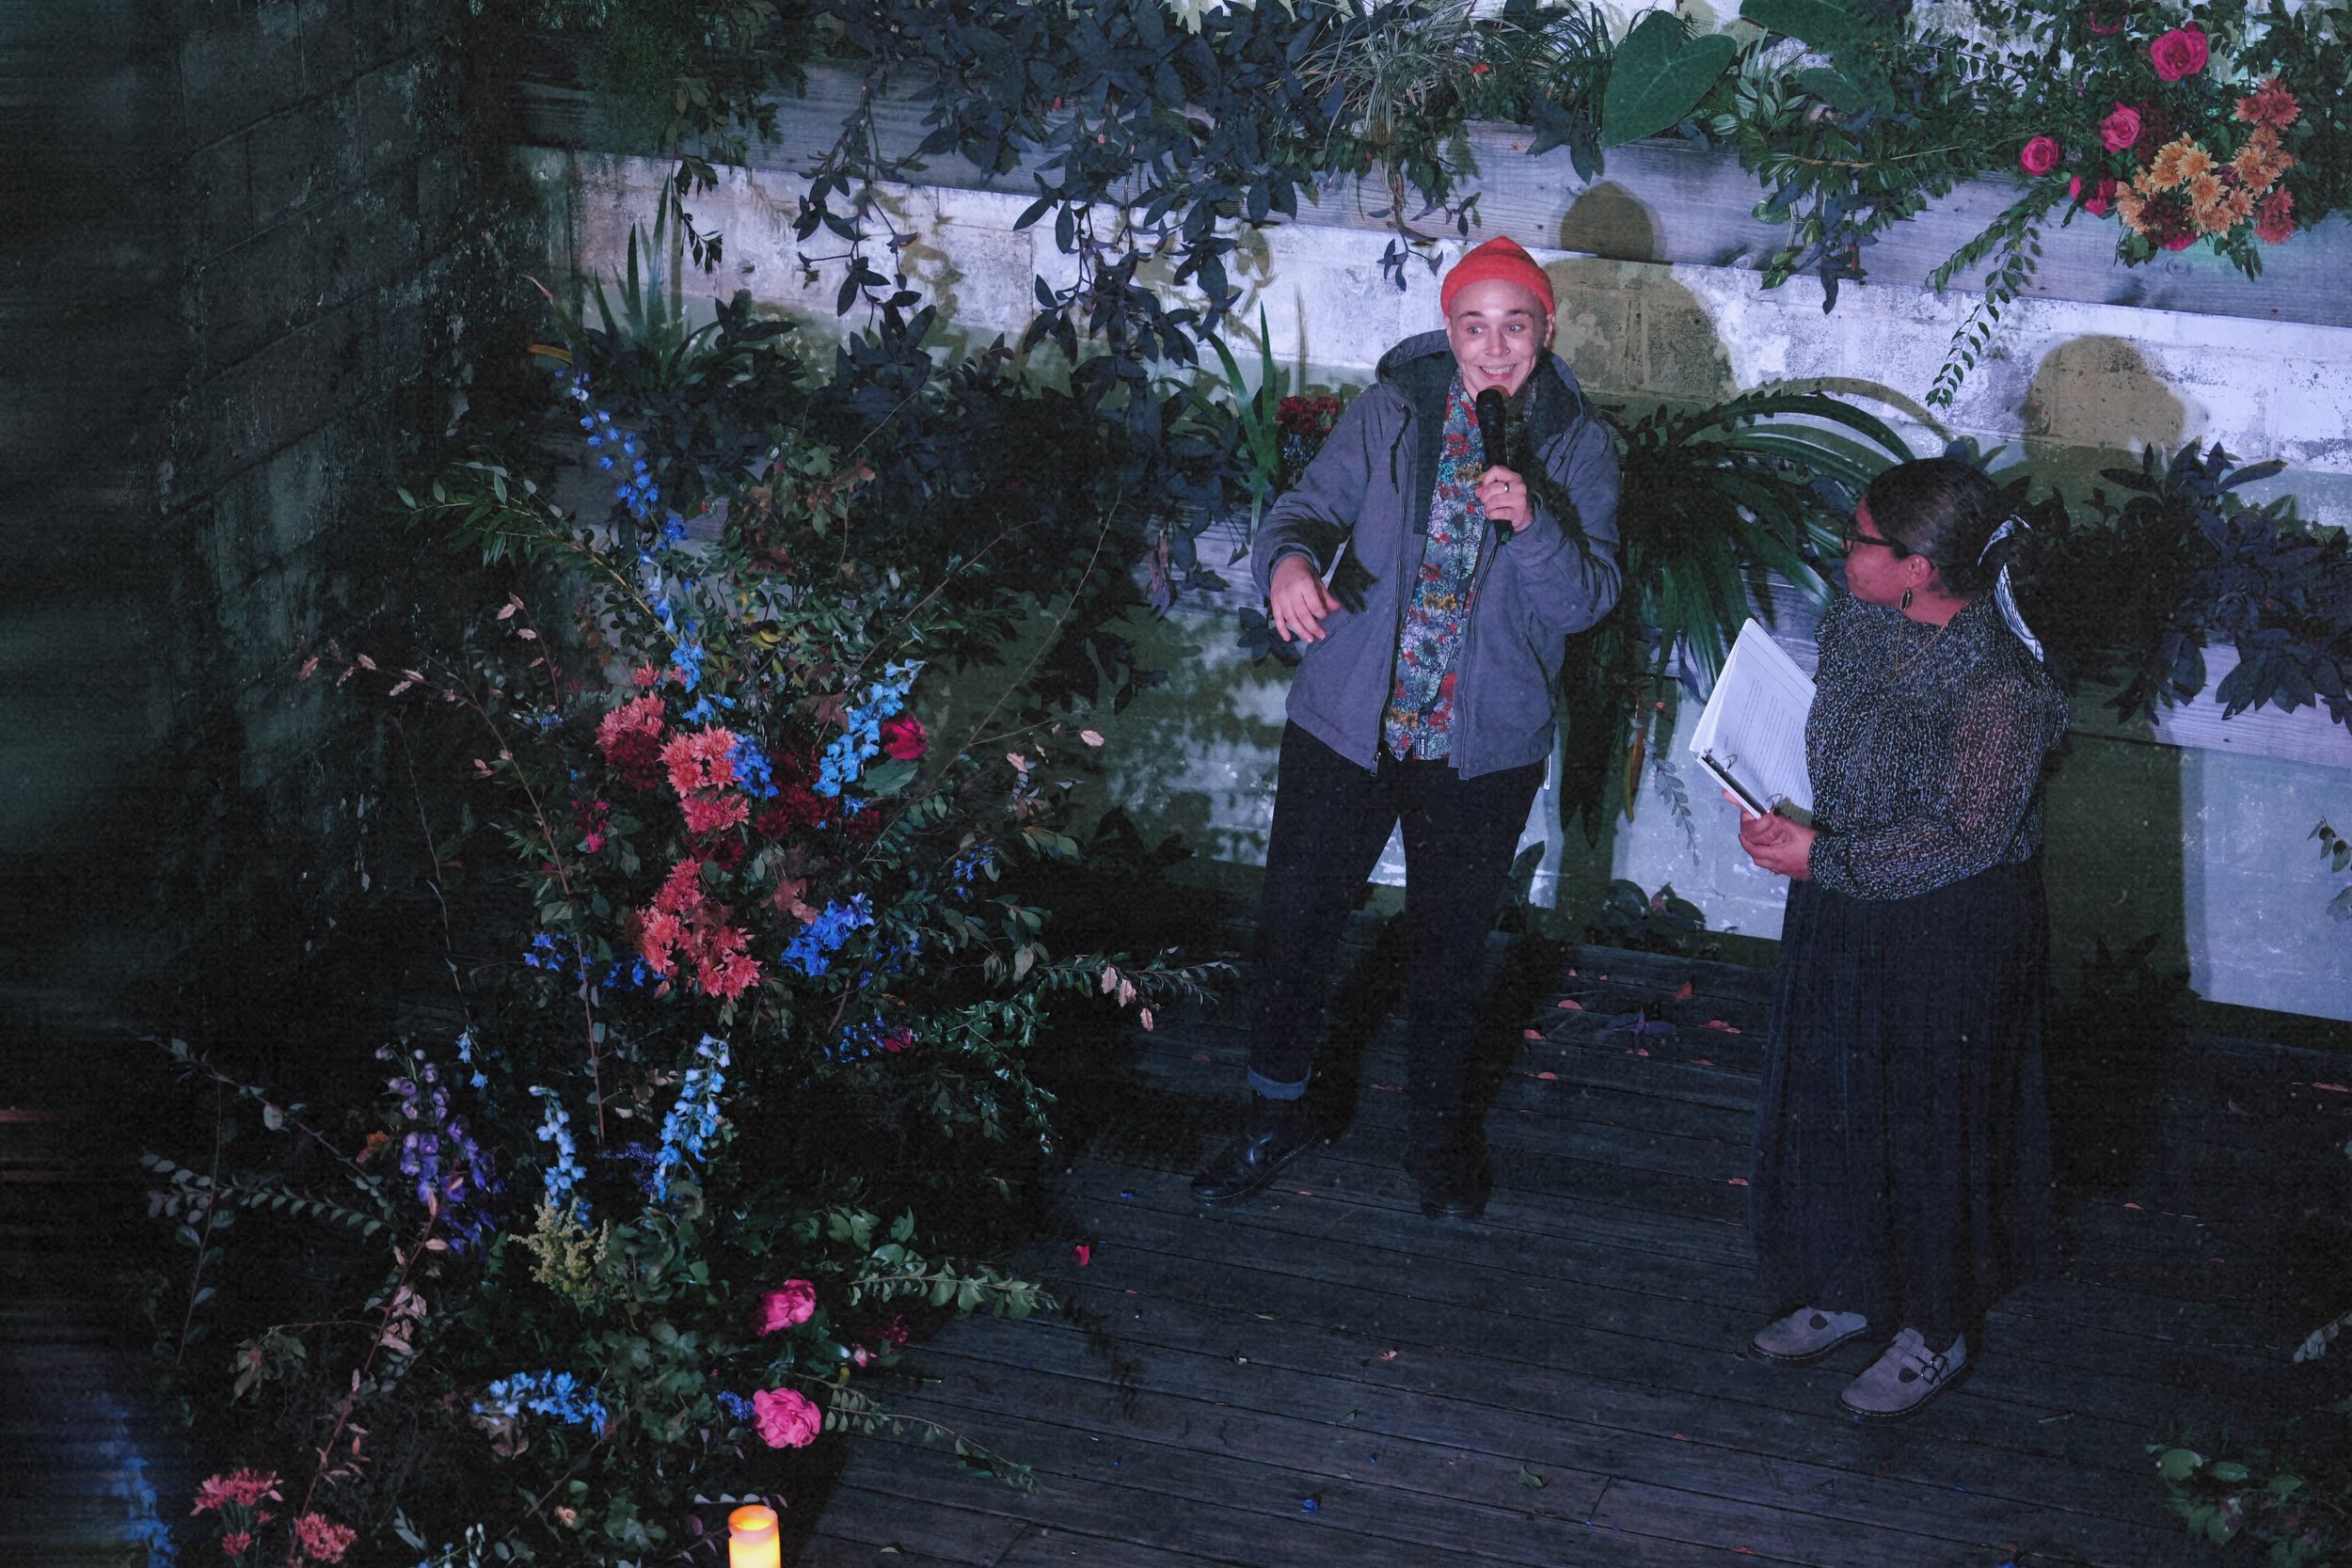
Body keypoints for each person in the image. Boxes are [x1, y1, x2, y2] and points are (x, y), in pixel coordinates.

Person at [1190, 235, 1622, 1220]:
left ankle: (1435, 1136)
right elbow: (1300, 511)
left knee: (1448, 949)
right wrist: (1288, 568)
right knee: (1297, 923)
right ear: (1450, 330)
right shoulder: (1392, 408)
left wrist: (1534, 522)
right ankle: (1275, 1113)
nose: (1495, 347)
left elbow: (1585, 601)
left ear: (1546, 331)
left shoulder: (1578, 445)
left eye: (1517, 325)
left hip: (1480, 744)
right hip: (1349, 720)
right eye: (1475, 325)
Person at [1732, 456, 2066, 1420]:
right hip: (1843, 894)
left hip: (1950, 923)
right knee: (1836, 1094)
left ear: (1917, 565)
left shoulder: (2003, 681)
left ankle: (1934, 1325)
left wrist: (1822, 857)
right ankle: (1846, 1285)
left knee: (1929, 1118)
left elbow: (1971, 833)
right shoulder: (1855, 622)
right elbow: (1833, 751)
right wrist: (1770, 802)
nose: (1844, 549)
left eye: (1861, 539)